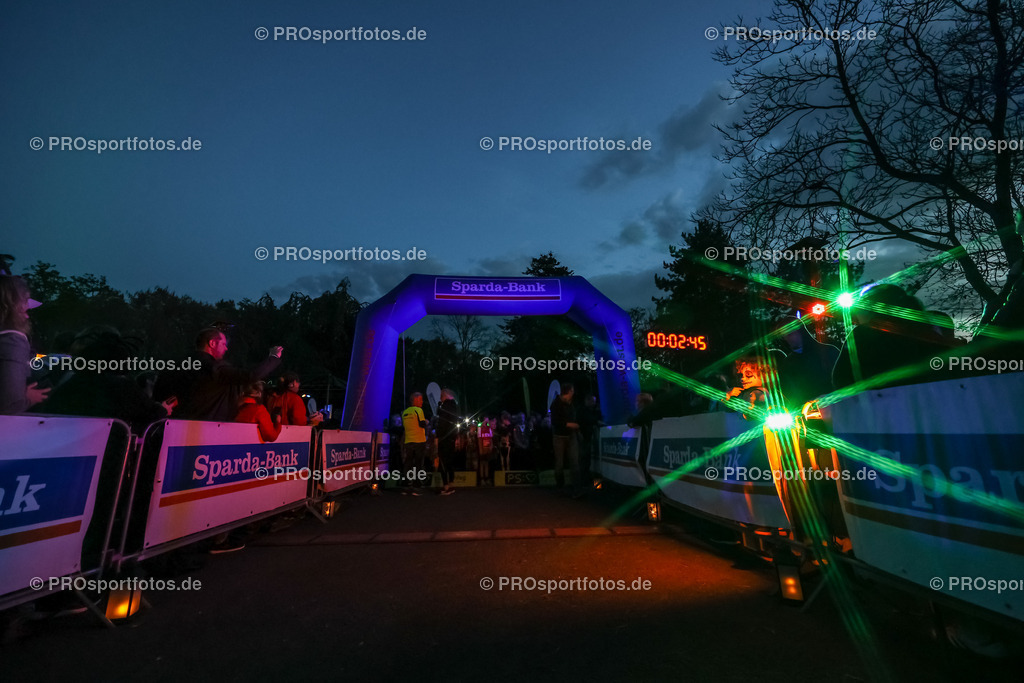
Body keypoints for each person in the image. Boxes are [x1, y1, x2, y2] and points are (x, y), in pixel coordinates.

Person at [832, 284, 946, 389]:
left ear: (870, 308)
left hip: (885, 405)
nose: (855, 314)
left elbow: (842, 379)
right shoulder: (927, 333)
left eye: (858, 307)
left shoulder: (863, 334)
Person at [184, 327, 282, 421]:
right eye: (223, 344)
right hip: (208, 428)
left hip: (182, 425)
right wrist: (274, 357)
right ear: (212, 343)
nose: (226, 348)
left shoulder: (186, 365)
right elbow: (251, 375)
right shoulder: (215, 368)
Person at [0, 275, 49, 414]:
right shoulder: (12, 341)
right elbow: (9, 407)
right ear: (10, 306)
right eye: (25, 304)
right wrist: (29, 398)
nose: (27, 315)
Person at [774, 316, 840, 409]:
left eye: (789, 334)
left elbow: (841, 378)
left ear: (800, 332)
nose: (787, 339)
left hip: (835, 406)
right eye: (784, 336)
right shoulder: (788, 363)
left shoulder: (827, 351)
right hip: (807, 413)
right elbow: (791, 392)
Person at [550, 382, 583, 497]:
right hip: (559, 437)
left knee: (574, 462)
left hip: (571, 435)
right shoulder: (556, 404)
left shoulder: (571, 403)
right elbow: (555, 422)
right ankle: (560, 487)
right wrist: (570, 424)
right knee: (560, 463)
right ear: (569, 392)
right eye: (572, 390)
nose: (573, 392)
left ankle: (576, 489)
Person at [401, 392, 428, 494]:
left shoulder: (405, 412)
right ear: (415, 400)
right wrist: (426, 422)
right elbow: (422, 424)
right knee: (418, 464)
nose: (422, 402)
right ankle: (417, 486)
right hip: (419, 441)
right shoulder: (418, 410)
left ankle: (406, 486)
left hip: (408, 441)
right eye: (420, 399)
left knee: (408, 463)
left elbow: (405, 426)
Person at [435, 388, 459, 495]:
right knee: (450, 461)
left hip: (444, 438)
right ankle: (451, 483)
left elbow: (442, 423)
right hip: (451, 437)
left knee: (443, 462)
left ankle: (446, 486)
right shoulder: (455, 407)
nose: (440, 397)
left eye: (441, 395)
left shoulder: (444, 407)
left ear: (445, 395)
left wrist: (437, 436)